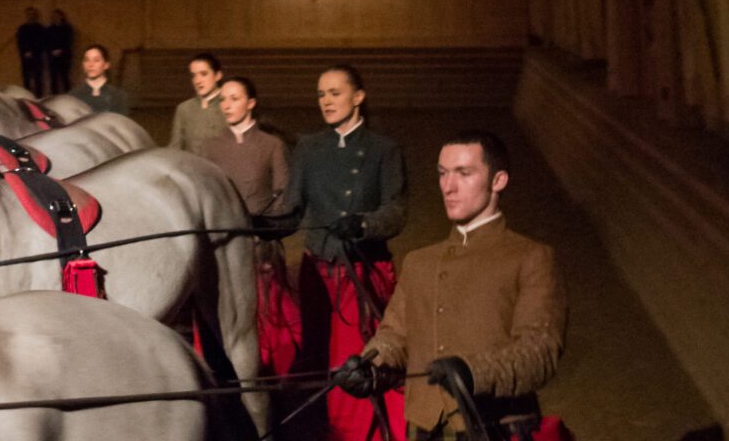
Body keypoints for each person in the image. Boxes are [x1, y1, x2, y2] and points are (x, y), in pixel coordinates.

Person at [337, 130, 566, 441]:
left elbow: (539, 352)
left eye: (464, 173)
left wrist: (473, 372)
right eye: (443, 174)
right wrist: (371, 365)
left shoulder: (531, 257)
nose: (448, 186)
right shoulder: (420, 261)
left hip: (495, 429)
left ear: (498, 181)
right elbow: (395, 335)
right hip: (426, 429)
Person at [266, 64, 408, 441]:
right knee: (313, 353)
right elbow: (293, 211)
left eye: (335, 93)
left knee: (359, 361)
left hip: (362, 271)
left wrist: (364, 225)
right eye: (321, 95)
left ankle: (364, 430)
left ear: (358, 97)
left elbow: (395, 210)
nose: (326, 102)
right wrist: (263, 225)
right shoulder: (309, 148)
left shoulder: (384, 150)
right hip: (318, 269)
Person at [201, 75, 300, 375]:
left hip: (260, 250)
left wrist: (262, 225)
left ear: (251, 103)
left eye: (234, 98)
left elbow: (284, 195)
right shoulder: (209, 147)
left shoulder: (272, 145)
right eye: (223, 100)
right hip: (219, 249)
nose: (227, 105)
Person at [170, 51, 227, 153]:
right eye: (193, 75)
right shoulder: (184, 109)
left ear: (217, 75)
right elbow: (175, 147)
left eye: (204, 74)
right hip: (191, 167)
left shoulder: (229, 106)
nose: (197, 81)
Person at [74, 43, 131, 114]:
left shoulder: (118, 96)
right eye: (86, 60)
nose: (90, 64)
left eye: (96, 60)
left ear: (106, 65)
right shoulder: (74, 96)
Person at [14, 7, 48, 96]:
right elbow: (19, 41)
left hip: (37, 56)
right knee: (26, 78)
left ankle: (38, 97)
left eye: (32, 14)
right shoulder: (22, 28)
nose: (30, 16)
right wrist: (25, 52)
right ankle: (27, 96)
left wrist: (33, 52)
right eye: (29, 14)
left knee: (38, 78)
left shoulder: (40, 28)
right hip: (25, 57)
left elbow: (42, 42)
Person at [46, 9, 75, 94]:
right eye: (54, 16)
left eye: (57, 16)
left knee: (65, 77)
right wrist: (52, 51)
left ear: (61, 17)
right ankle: (54, 97)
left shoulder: (67, 28)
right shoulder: (49, 29)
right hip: (52, 57)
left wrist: (61, 50)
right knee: (53, 78)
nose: (55, 18)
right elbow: (46, 42)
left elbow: (69, 41)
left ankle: (68, 95)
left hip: (64, 56)